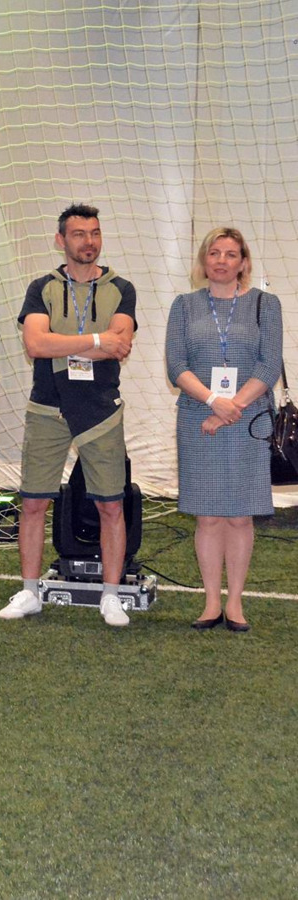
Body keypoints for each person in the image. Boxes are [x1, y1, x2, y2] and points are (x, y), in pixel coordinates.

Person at [0, 204, 137, 627]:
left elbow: (120, 345)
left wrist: (63, 342)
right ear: (61, 240)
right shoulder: (41, 287)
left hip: (100, 411)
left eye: (94, 233)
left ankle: (111, 596)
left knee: (111, 506)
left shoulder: (122, 288)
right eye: (79, 234)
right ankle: (29, 591)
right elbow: (35, 345)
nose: (88, 242)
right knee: (33, 502)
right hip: (48, 407)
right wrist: (96, 340)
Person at [166, 227, 283, 632]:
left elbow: (269, 365)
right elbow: (176, 365)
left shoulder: (265, 305)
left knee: (239, 518)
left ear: (243, 262)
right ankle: (211, 603)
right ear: (204, 260)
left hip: (248, 422)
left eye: (230, 254)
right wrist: (214, 401)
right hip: (198, 420)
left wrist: (230, 408)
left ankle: (235, 604)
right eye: (214, 253)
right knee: (208, 518)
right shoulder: (184, 305)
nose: (221, 261)